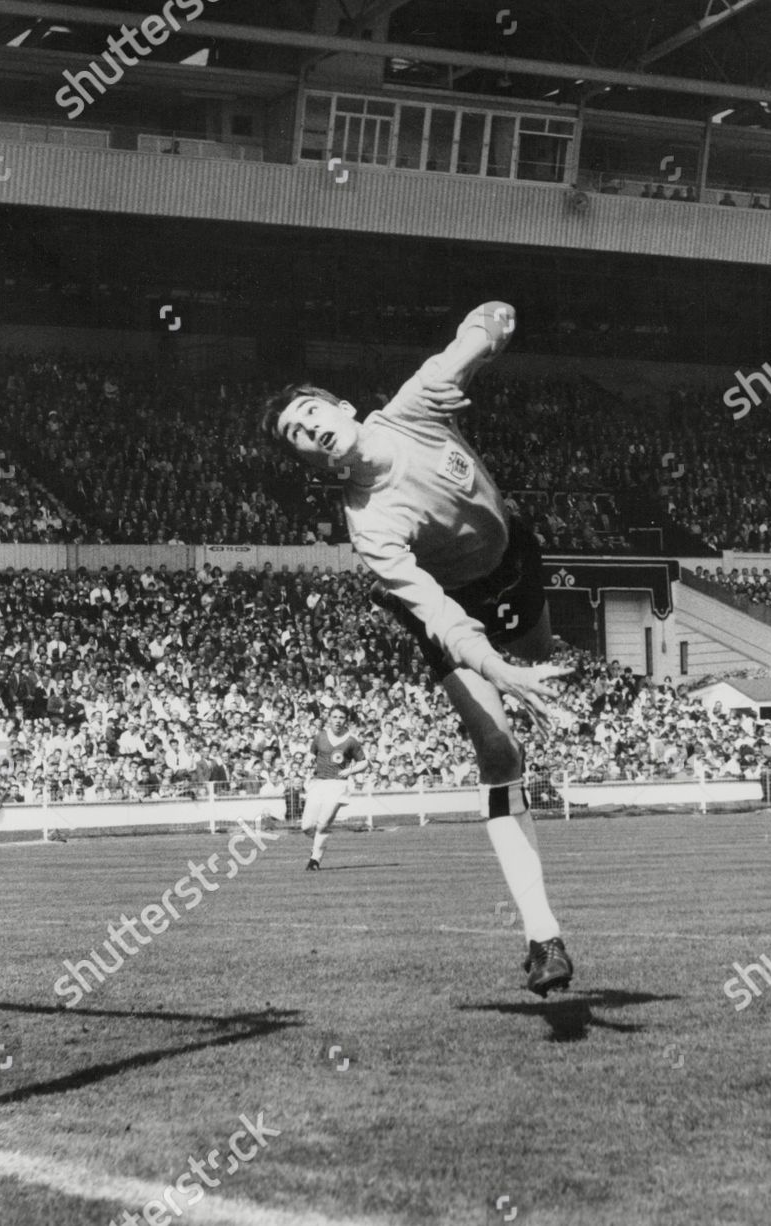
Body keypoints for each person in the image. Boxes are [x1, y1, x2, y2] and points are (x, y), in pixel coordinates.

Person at [260, 301, 575, 996]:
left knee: (541, 667)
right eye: (296, 437)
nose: (308, 430)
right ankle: (543, 937)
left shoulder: (415, 405)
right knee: (499, 750)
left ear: (342, 408)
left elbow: (484, 324)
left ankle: (527, 685)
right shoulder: (369, 527)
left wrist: (489, 329)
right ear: (308, 460)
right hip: (451, 606)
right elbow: (438, 613)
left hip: (515, 563)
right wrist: (495, 669)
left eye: (309, 415)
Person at [300, 705, 367, 870]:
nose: (338, 721)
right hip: (318, 783)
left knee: (323, 824)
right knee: (306, 826)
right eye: (335, 717)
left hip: (338, 785)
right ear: (329, 718)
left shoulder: (351, 740)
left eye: (341, 717)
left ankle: (315, 860)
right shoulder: (320, 737)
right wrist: (308, 760)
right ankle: (318, 844)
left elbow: (364, 762)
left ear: (346, 720)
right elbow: (312, 753)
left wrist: (349, 770)